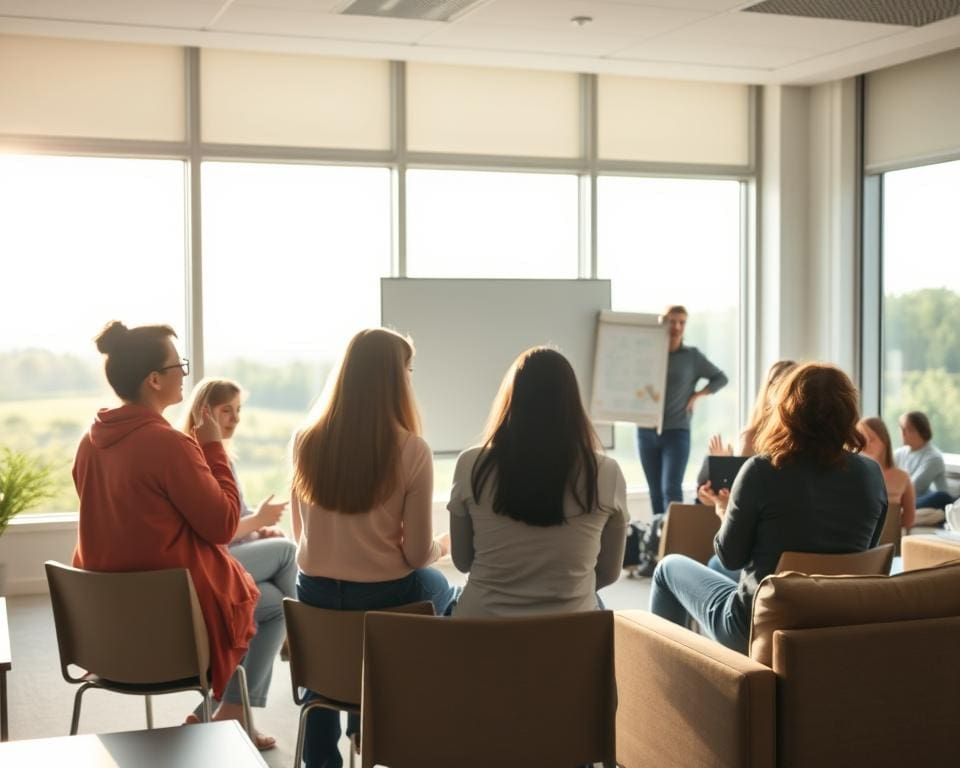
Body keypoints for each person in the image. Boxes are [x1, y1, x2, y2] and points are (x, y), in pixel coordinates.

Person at [72, 322, 269, 744]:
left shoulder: (89, 444)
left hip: (107, 634)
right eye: (177, 365)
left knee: (267, 589)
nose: (184, 372)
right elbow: (224, 526)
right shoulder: (169, 445)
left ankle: (224, 712)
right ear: (154, 380)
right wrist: (212, 446)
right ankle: (229, 711)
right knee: (271, 602)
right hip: (173, 637)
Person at [290, 328, 458, 768]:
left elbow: (299, 534)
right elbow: (415, 553)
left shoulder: (304, 439)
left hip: (315, 595)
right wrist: (441, 545)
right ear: (394, 379)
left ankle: (324, 754)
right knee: (441, 589)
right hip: (385, 600)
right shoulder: (412, 450)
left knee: (323, 668)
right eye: (408, 370)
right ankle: (375, 721)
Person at [650, 363, 886, 653]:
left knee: (667, 567)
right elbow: (865, 554)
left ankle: (666, 684)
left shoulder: (763, 470)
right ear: (849, 411)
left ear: (787, 410)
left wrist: (724, 511)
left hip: (757, 627)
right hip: (833, 621)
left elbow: (730, 558)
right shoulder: (872, 474)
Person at [448, 347, 628, 617]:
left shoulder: (472, 464)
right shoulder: (606, 472)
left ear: (512, 399)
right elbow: (609, 572)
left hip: (482, 634)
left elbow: (462, 562)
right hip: (569, 636)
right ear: (571, 404)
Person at [182, 379, 297, 739]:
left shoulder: (224, 457)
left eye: (238, 411)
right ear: (206, 413)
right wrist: (258, 522)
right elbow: (217, 532)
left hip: (233, 553)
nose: (234, 419)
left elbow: (236, 520)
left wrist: (259, 530)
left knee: (274, 604)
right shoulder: (195, 456)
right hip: (213, 561)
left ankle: (218, 712)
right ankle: (304, 635)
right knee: (288, 552)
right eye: (225, 411)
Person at [697, 359, 797, 582]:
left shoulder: (756, 447)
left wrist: (723, 507)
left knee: (687, 566)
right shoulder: (753, 439)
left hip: (762, 562)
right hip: (776, 555)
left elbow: (733, 553)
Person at [638, 305, 728, 518]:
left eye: (681, 322)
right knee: (655, 492)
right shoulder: (648, 353)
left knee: (671, 488)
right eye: (672, 321)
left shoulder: (692, 357)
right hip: (646, 430)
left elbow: (721, 378)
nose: (677, 326)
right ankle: (657, 543)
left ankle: (673, 540)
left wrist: (698, 395)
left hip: (677, 431)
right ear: (664, 322)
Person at [858, 417, 916, 530]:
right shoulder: (851, 475)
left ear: (884, 440)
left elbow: (909, 520)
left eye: (872, 439)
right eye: (862, 440)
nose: (867, 444)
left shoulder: (902, 478)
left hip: (888, 543)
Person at [895, 411, 956, 512]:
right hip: (910, 500)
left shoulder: (933, 457)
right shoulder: (900, 453)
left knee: (942, 497)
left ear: (921, 431)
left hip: (934, 500)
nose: (903, 433)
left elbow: (913, 488)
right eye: (902, 429)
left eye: (908, 429)